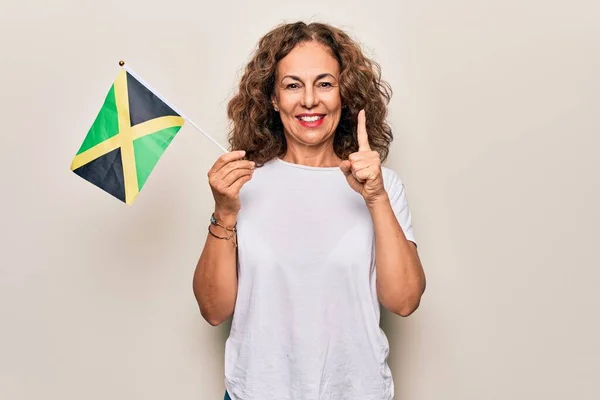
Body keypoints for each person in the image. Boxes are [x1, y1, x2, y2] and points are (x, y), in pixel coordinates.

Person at [192, 21, 426, 400]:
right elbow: (213, 310)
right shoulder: (243, 186)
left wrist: (376, 198)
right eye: (292, 85)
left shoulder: (383, 186)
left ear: (344, 94)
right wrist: (225, 213)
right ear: (272, 98)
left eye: (325, 83)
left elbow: (404, 300)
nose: (309, 100)